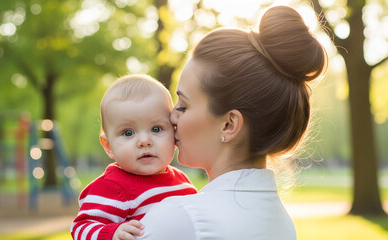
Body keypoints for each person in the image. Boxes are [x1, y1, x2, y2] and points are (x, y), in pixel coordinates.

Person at [137, 5, 328, 240]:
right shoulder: (282, 223)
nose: (171, 116)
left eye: (184, 106)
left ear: (229, 124)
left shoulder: (181, 218)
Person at [71, 74, 197, 240]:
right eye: (128, 132)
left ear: (175, 133)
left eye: (157, 129)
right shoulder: (111, 187)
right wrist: (112, 233)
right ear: (109, 146)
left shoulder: (181, 181)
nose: (144, 141)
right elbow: (81, 228)